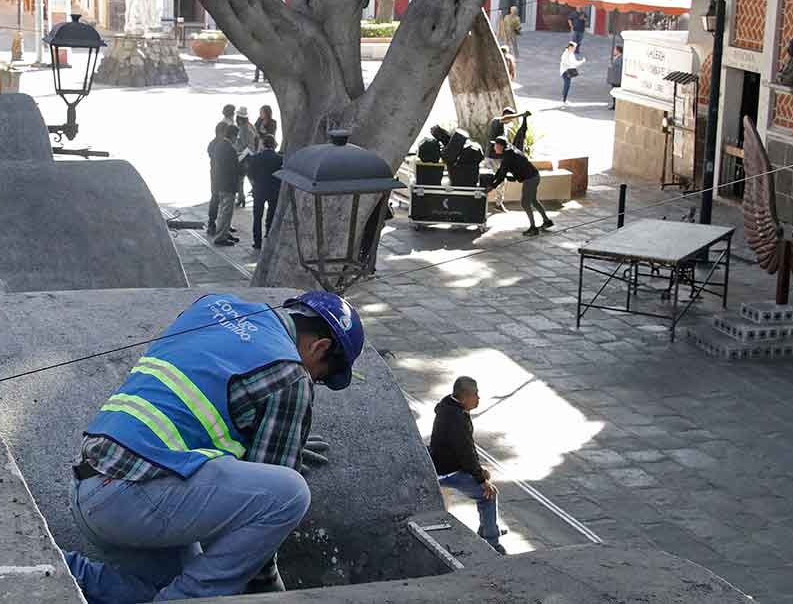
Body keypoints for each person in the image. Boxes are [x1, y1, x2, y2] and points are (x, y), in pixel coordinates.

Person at [63, 291, 365, 603]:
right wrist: (266, 587)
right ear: (320, 347)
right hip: (133, 496)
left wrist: (284, 442)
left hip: (90, 486)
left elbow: (198, 404)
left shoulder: (212, 306)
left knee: (164, 585)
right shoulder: (290, 375)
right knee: (291, 494)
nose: (312, 381)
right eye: (320, 377)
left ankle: (64, 571)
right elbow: (269, 507)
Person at [429, 376, 507, 555]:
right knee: (489, 494)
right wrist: (481, 478)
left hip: (443, 462)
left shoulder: (448, 406)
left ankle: (487, 529)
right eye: (476, 394)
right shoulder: (457, 419)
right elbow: (465, 452)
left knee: (484, 479)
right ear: (464, 397)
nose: (479, 398)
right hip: (449, 471)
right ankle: (492, 541)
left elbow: (467, 450)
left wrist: (480, 471)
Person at [485, 135, 551, 236]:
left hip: (530, 179)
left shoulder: (508, 156)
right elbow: (502, 171)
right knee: (533, 200)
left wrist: (492, 187)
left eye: (495, 145)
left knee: (525, 203)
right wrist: (496, 180)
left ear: (500, 146)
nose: (494, 148)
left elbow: (501, 175)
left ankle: (533, 228)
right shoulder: (509, 150)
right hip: (534, 176)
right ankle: (546, 221)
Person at [246, 135, 282, 250]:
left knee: (257, 217)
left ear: (263, 144)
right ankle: (268, 236)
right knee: (271, 214)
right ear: (274, 145)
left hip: (259, 190)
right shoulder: (279, 158)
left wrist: (254, 185)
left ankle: (257, 242)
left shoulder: (255, 158)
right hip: (273, 190)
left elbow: (250, 174)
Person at [210, 124, 242, 246]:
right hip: (228, 184)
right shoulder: (230, 149)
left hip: (220, 182)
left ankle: (224, 232)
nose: (237, 139)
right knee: (226, 211)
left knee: (223, 211)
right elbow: (233, 168)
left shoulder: (219, 146)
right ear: (233, 135)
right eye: (236, 136)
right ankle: (221, 237)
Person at [234, 107, 258, 209]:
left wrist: (240, 156)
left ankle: (242, 198)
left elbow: (249, 147)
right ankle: (242, 198)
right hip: (248, 158)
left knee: (243, 180)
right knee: (247, 180)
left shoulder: (245, 129)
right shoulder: (249, 126)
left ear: (239, 118)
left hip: (245, 158)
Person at [559, 41, 585, 106]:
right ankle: (564, 100)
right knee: (567, 85)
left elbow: (573, 63)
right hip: (565, 72)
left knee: (567, 85)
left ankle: (564, 99)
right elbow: (574, 63)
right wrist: (582, 61)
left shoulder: (569, 53)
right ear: (570, 47)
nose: (575, 49)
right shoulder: (567, 54)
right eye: (574, 48)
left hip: (566, 71)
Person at [607, 45, 623, 110]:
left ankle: (616, 106)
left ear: (618, 51)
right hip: (614, 78)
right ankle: (614, 105)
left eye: (615, 50)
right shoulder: (616, 57)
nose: (614, 51)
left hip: (617, 79)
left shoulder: (621, 58)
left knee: (616, 93)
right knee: (613, 93)